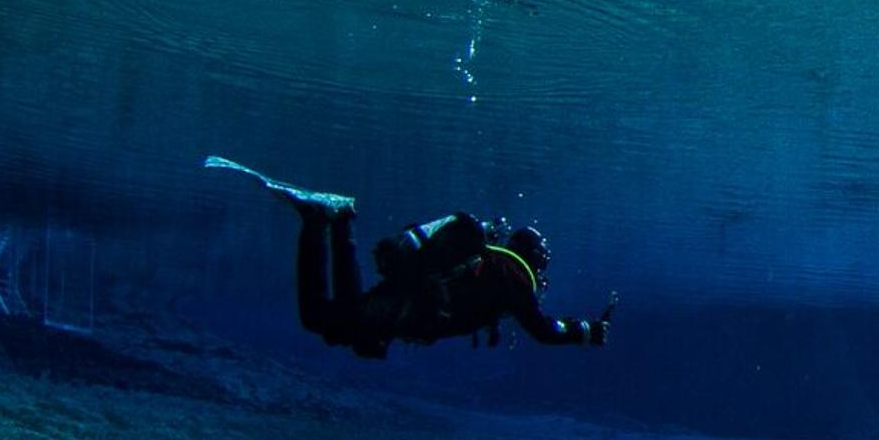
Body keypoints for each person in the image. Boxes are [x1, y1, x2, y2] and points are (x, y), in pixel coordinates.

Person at [210, 159, 611, 358]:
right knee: (328, 318)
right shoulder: (513, 278)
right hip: (408, 307)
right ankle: (334, 220)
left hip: (408, 301)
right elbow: (542, 330)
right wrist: (586, 331)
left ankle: (321, 221)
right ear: (533, 259)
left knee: (333, 321)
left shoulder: (490, 261)